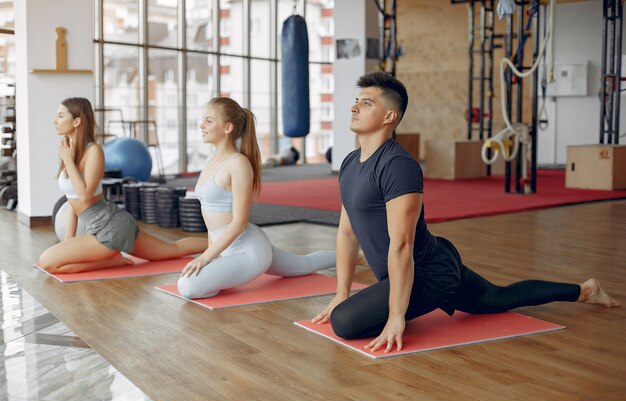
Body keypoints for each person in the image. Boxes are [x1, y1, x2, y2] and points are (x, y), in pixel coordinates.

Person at [312, 72, 621, 353]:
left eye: (366, 103)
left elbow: (402, 244)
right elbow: (347, 232)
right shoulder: (351, 163)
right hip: (411, 272)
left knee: (345, 322)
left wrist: (396, 316)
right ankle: (584, 291)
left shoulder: (398, 167)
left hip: (430, 273)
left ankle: (580, 292)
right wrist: (342, 291)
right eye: (356, 101)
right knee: (497, 299)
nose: (354, 108)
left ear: (389, 116)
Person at [176, 97, 335, 298]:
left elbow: (240, 222)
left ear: (227, 128)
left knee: (188, 287)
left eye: (208, 120)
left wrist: (206, 259)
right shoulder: (211, 160)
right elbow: (211, 222)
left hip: (249, 252)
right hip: (226, 248)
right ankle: (356, 259)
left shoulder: (238, 164)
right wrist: (212, 256)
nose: (202, 125)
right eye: (203, 119)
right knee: (305, 264)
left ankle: (356, 258)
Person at [38, 97, 208, 274]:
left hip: (110, 227)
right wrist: (68, 242)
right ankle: (112, 259)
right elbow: (71, 201)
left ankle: (222, 243)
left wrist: (67, 160)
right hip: (98, 229)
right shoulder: (70, 151)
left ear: (76, 121)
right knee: (173, 249)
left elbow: (85, 195)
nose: (54, 121)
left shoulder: (93, 151)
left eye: (60, 116)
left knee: (47, 262)